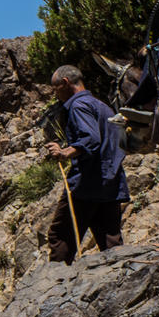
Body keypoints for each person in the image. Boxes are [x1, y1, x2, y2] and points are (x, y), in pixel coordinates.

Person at [44, 65, 129, 263]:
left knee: (60, 237)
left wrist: (65, 152)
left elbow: (90, 138)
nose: (55, 94)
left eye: (55, 89)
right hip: (111, 183)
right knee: (110, 241)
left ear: (65, 83)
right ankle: (118, 282)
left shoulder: (78, 106)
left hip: (86, 184)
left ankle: (56, 286)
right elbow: (119, 142)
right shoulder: (103, 107)